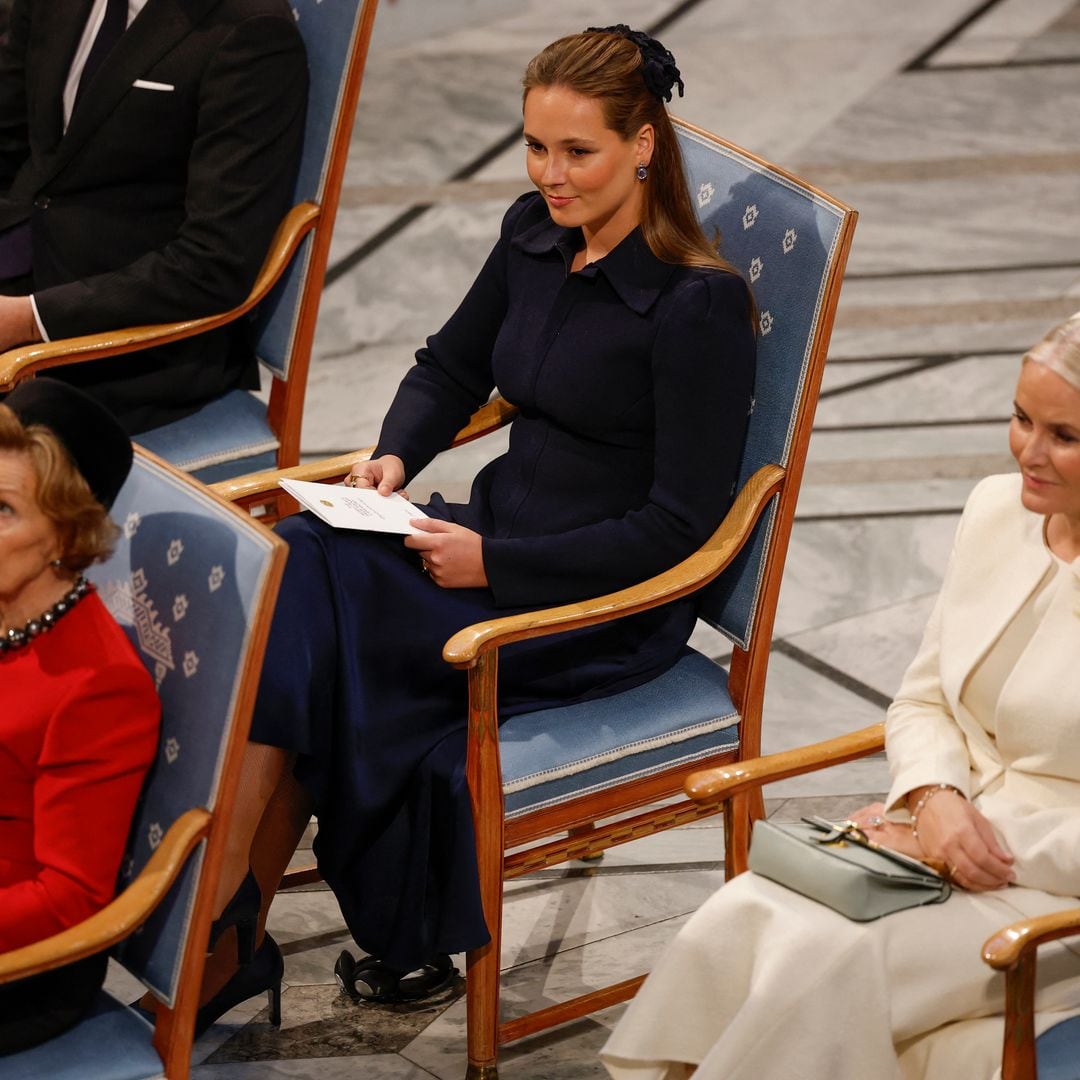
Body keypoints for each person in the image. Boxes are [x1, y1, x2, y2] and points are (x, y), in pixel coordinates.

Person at [192, 24, 757, 1023]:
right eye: (535, 146)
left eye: (577, 151)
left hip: (590, 602)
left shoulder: (696, 306)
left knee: (309, 612)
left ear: (643, 146)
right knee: (300, 561)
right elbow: (449, 367)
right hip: (480, 541)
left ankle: (218, 925)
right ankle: (228, 918)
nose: (550, 175)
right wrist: (395, 457)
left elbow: (679, 527)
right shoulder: (534, 234)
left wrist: (498, 564)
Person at [600, 312, 1080, 1080]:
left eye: (1065, 436)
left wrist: (972, 842)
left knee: (826, 962)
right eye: (1022, 419)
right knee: (744, 912)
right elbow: (924, 701)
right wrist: (933, 797)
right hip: (934, 836)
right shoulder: (996, 509)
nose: (1028, 451)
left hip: (1049, 892)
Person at [0, 0, 308, 435]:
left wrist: (29, 319)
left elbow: (214, 263)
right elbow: (9, 140)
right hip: (21, 264)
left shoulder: (252, 32)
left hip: (129, 346)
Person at [0, 377, 160, 1055]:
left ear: (65, 536)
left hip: (22, 970)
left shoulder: (98, 687)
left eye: (3, 510)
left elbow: (67, 898)